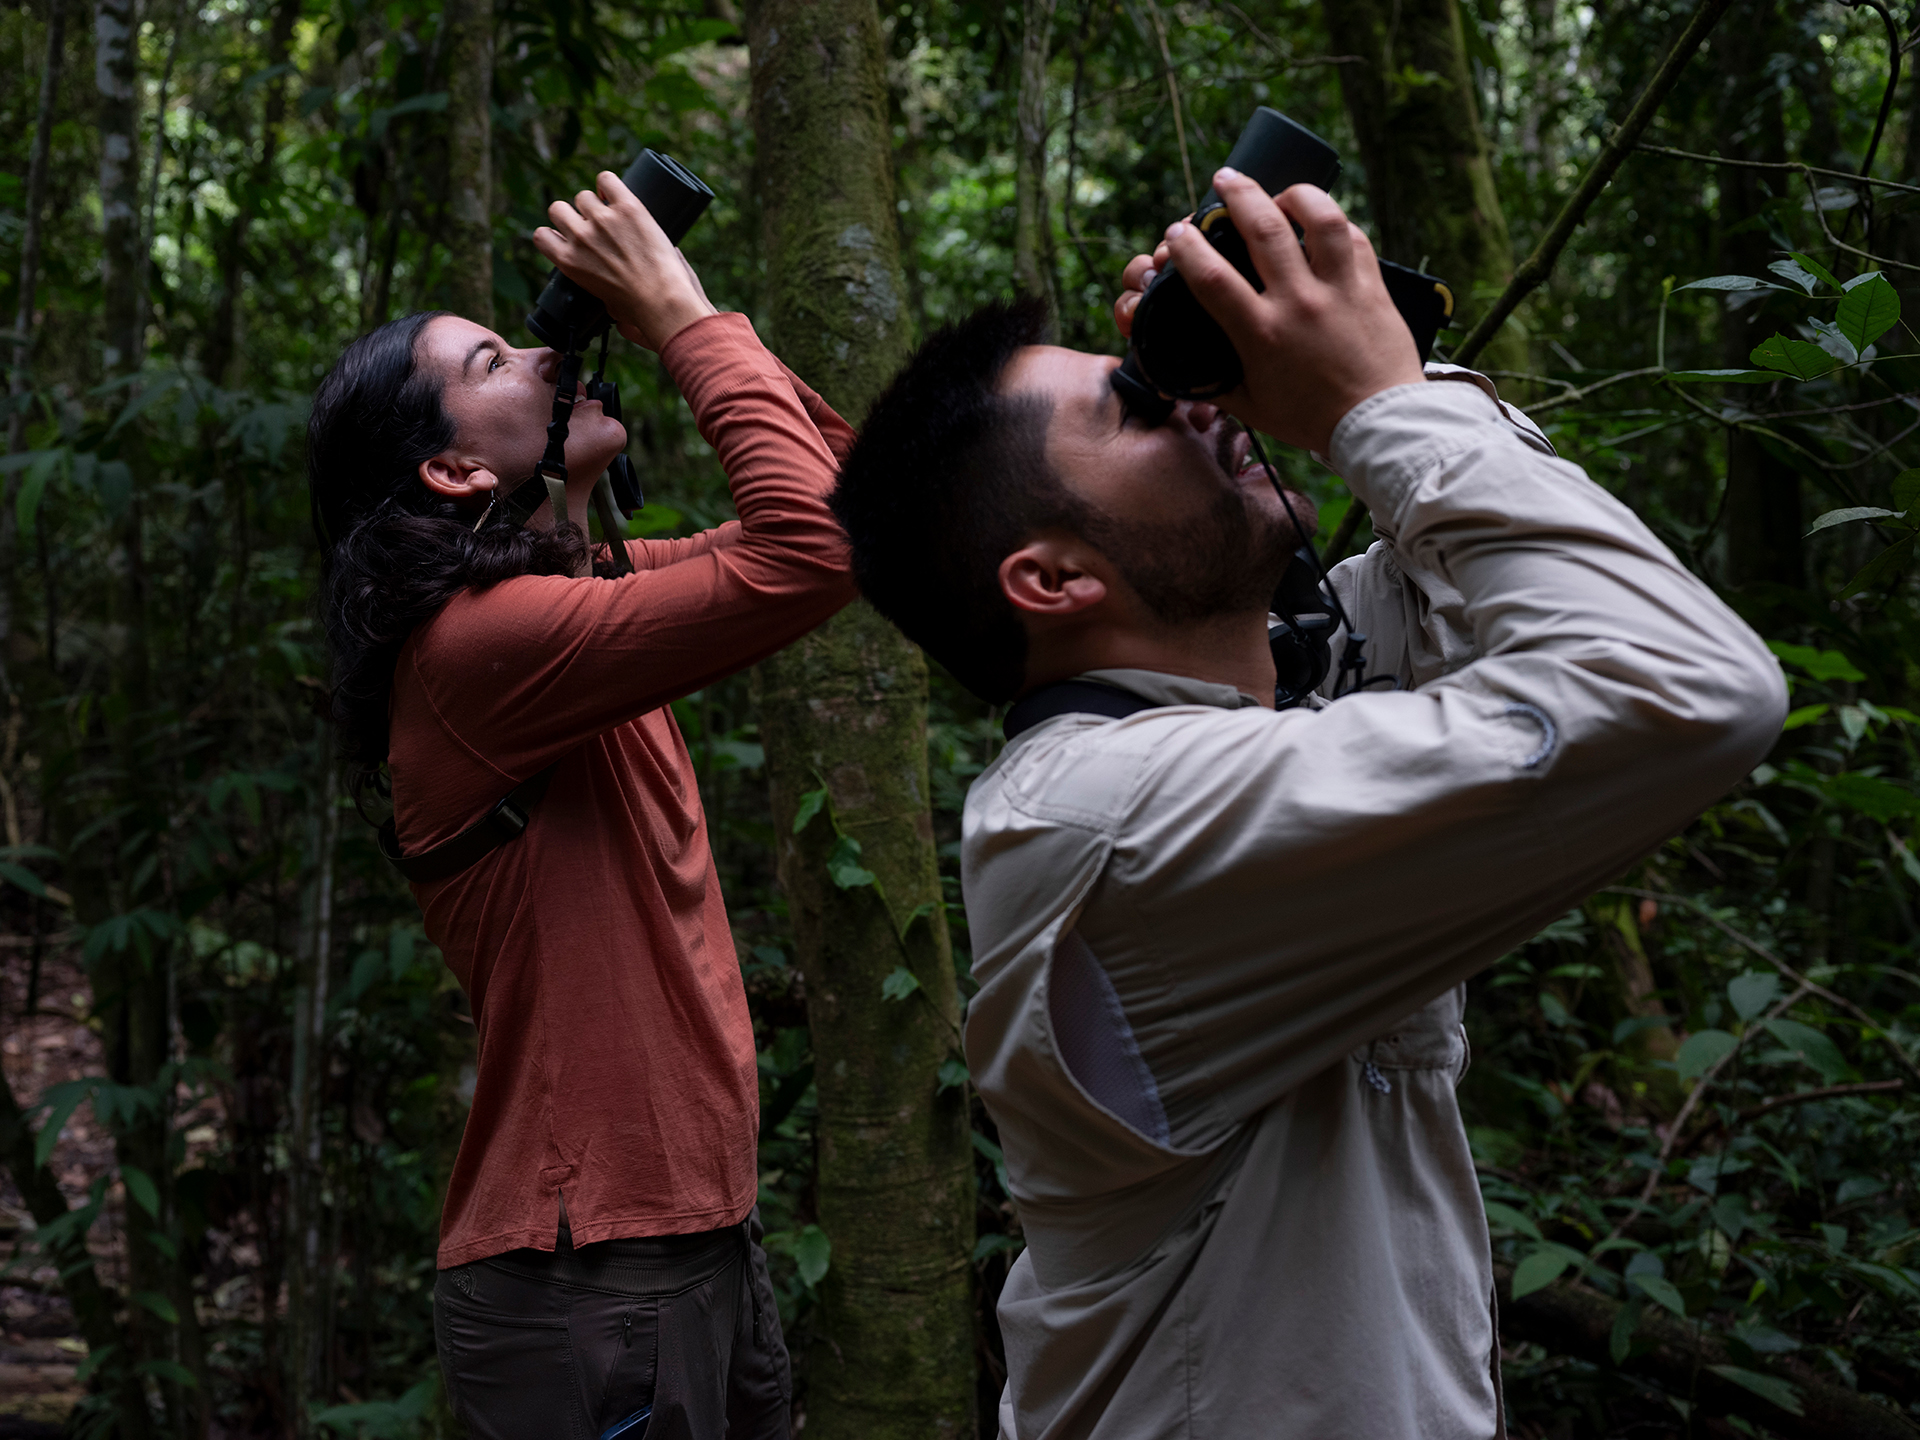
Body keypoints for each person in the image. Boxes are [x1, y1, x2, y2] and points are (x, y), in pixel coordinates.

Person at [829, 168, 1786, 1440]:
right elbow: (1683, 683)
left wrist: (1368, 357)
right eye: (1137, 412)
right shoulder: (1112, 820)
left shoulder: (1254, 712)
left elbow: (1487, 566)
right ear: (1051, 578)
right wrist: (1374, 405)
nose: (1190, 404)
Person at [307, 172, 853, 1439]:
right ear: (450, 467)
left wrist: (692, 319)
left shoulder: (575, 602)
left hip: (689, 1242)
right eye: (496, 358)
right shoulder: (478, 649)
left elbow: (850, 514)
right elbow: (810, 556)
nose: (553, 352)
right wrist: (674, 315)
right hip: (589, 1277)